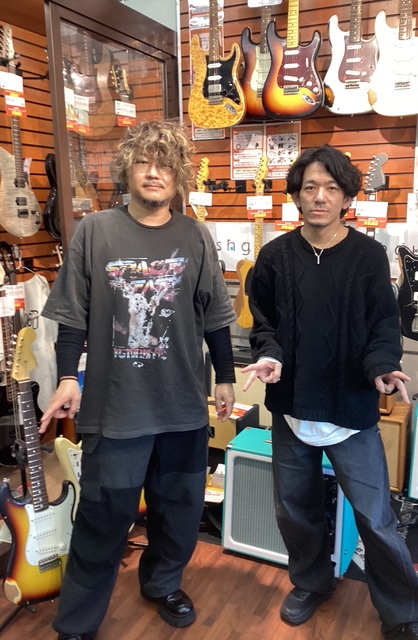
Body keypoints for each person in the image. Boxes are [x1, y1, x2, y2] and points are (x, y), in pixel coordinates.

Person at [39, 120, 236, 640]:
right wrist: (67, 376)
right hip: (115, 410)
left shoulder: (195, 236)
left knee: (178, 514)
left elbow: (216, 314)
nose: (154, 172)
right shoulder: (95, 232)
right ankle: (77, 623)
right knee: (102, 521)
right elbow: (72, 317)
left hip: (182, 408)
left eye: (165, 164)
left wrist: (225, 377)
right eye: (144, 162)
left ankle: (162, 584)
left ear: (179, 175)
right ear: (127, 169)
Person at [241, 146, 418, 640]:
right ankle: (311, 583)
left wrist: (382, 367)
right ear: (296, 196)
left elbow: (382, 327)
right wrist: (269, 355)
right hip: (292, 407)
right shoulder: (274, 257)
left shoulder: (368, 256)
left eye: (331, 188)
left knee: (376, 517)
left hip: (350, 409)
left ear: (348, 196)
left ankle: (402, 614)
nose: (320, 197)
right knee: (295, 510)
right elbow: (263, 324)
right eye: (309, 187)